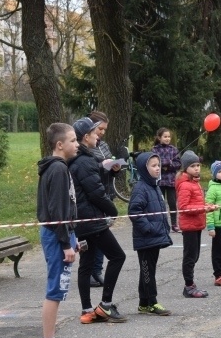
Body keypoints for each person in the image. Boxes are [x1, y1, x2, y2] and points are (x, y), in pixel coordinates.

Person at [68, 117, 128, 324]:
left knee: (86, 264)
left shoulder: (81, 160)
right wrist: (112, 210)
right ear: (85, 138)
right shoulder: (84, 162)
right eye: (95, 134)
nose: (98, 137)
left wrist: (105, 170)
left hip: (82, 221)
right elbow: (96, 193)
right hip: (91, 220)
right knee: (118, 256)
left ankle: (86, 311)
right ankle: (106, 305)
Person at [36, 123, 80, 338]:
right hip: (56, 236)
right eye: (73, 140)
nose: (77, 144)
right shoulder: (57, 170)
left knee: (58, 290)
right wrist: (66, 243)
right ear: (59, 144)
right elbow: (57, 211)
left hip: (61, 234)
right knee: (54, 291)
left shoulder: (59, 168)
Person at [129, 152, 173, 315]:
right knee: (147, 270)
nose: (157, 168)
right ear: (143, 168)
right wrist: (148, 228)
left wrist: (164, 227)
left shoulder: (154, 186)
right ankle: (152, 302)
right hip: (146, 238)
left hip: (154, 237)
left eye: (158, 165)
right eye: (153, 166)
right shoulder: (141, 188)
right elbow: (134, 211)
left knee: (148, 269)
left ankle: (144, 303)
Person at [175, 150, 218, 298]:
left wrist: (208, 207)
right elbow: (184, 207)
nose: (196, 168)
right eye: (193, 166)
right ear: (185, 168)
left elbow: (197, 204)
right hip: (189, 227)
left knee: (195, 256)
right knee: (190, 257)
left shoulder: (195, 183)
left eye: (198, 165)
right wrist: (202, 208)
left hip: (197, 224)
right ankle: (189, 286)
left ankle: (191, 284)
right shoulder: (185, 185)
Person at [88, 110, 121, 288]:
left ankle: (97, 271)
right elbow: (89, 168)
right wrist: (103, 165)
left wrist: (115, 167)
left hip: (107, 192)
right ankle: (91, 271)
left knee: (103, 232)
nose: (102, 132)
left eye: (104, 129)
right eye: (100, 129)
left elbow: (109, 166)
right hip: (94, 195)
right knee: (96, 235)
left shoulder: (104, 145)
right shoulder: (86, 147)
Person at [152, 128, 182, 232]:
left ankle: (174, 224)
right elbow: (154, 163)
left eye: (169, 137)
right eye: (165, 136)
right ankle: (162, 224)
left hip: (171, 181)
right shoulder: (155, 149)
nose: (167, 138)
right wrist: (163, 164)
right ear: (159, 138)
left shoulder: (174, 149)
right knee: (160, 203)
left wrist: (169, 165)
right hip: (159, 181)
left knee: (172, 203)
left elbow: (178, 164)